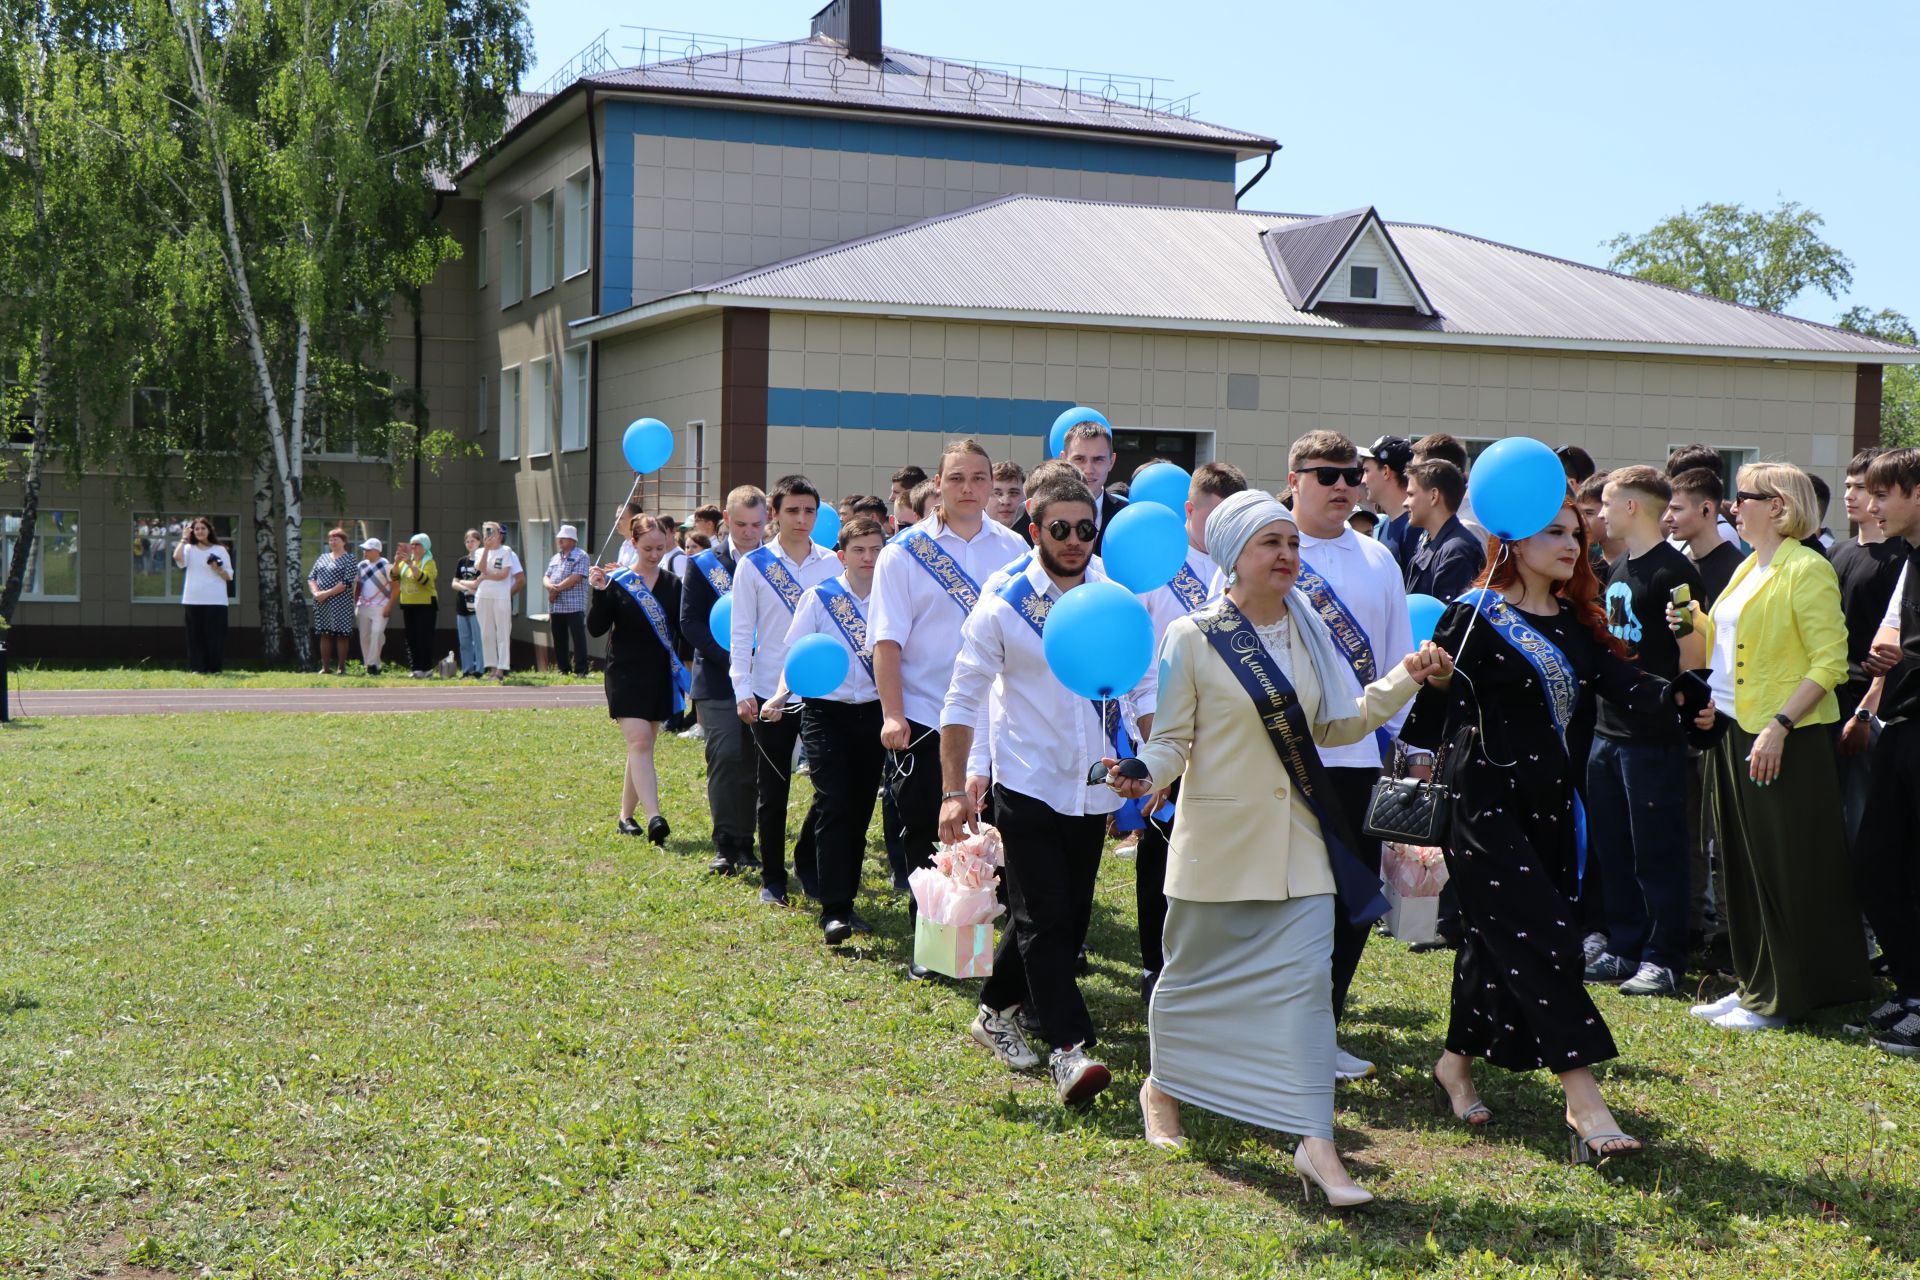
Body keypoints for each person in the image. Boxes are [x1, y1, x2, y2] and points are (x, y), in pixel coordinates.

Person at [1115, 489, 1452, 1205]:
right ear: (1236, 556)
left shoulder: (1307, 631)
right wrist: (1145, 771)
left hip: (1301, 848)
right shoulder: (1192, 637)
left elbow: (1339, 724)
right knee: (1191, 982)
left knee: (1306, 998)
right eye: (1273, 544)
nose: (1289, 557)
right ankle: (1162, 1090)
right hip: (1218, 845)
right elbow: (1173, 739)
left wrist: (1403, 679)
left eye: (1293, 545)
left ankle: (1317, 1149)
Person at [1402, 490, 1715, 1161]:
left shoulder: (1576, 623)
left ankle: (1454, 1063)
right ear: (1513, 538)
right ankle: (1586, 1104)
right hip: (1479, 802)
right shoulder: (1473, 615)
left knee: (1497, 938)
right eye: (1552, 532)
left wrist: (1681, 698)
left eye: (1576, 532)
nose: (1571, 544)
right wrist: (1434, 682)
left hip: (1548, 807)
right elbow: (1428, 724)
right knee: (1544, 936)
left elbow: (1627, 687)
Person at [941, 470, 1155, 1107]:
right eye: (1059, 528)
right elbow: (961, 699)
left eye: (1086, 529)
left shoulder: (1115, 597)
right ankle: (1070, 1049)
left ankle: (993, 1011)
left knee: (1067, 914)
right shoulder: (1003, 602)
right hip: (1028, 781)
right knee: (1044, 916)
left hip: (1094, 787)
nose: (1073, 540)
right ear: (1033, 528)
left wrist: (1151, 756)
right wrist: (956, 788)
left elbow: (1141, 686)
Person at [1685, 463, 1869, 1032]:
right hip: (1735, 729)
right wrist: (1689, 622)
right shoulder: (1749, 564)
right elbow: (1731, 646)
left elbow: (1830, 662)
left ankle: (1783, 996)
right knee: (1740, 867)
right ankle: (1754, 983)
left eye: (1744, 497)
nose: (1732, 507)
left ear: (1779, 506)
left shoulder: (1806, 568)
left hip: (1783, 738)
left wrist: (1781, 725)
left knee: (1780, 868)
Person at [1284, 430, 1415, 1084]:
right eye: (1326, 475)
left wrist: (1400, 745)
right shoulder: (1269, 551)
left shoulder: (1378, 559)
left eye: (1351, 476)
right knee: (1284, 903)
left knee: (1349, 905)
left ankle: (1320, 1029)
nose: (1342, 487)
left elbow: (1398, 658)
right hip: (1280, 760)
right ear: (1295, 479)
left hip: (1359, 759)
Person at [871, 438, 1029, 976]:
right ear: (937, 484)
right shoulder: (903, 552)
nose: (968, 488)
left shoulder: (1014, 551)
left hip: (997, 715)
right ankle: (934, 945)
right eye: (957, 478)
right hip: (924, 712)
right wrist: (893, 713)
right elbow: (886, 642)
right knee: (927, 831)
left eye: (979, 478)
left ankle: (992, 946)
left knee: (997, 833)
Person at [1581, 467, 1704, 998]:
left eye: (1607, 503)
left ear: (1633, 507)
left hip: (1652, 738)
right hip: (1607, 733)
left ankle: (1664, 957)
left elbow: (1692, 657)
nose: (1600, 513)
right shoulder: (1617, 567)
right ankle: (1625, 945)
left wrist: (1677, 714)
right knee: (1613, 847)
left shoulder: (1675, 574)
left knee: (1657, 850)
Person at [1127, 461, 1248, 1001]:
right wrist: (1156, 742)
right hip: (1162, 727)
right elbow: (1137, 662)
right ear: (1189, 510)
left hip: (1229, 737)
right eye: (1210, 514)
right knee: (1162, 856)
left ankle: (1217, 966)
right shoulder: (1154, 564)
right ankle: (1157, 964)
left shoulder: (1246, 567)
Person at [762, 516, 889, 943]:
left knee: (858, 811)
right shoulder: (819, 598)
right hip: (825, 713)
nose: (868, 558)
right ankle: (836, 910)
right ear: (841, 556)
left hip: (875, 713)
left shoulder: (895, 598)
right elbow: (797, 657)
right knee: (835, 802)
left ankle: (819, 868)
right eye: (859, 550)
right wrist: (781, 695)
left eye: (875, 549)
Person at [731, 475, 838, 906]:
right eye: (792, 510)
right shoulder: (754, 565)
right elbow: (740, 635)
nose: (801, 519)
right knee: (772, 792)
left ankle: (809, 865)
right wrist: (742, 689)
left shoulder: (833, 563)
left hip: (823, 695)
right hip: (768, 695)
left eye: (809, 510)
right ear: (774, 513)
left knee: (829, 790)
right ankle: (773, 878)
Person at [1853, 446, 1920, 1055]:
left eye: (1883, 494)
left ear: (1917, 494)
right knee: (1876, 863)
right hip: (1897, 726)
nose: (1872, 507)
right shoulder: (1909, 560)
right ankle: (1911, 988)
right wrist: (1878, 679)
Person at [682, 486, 766, 875]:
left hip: (765, 679)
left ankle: (747, 842)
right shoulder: (701, 565)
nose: (750, 532)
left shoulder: (775, 564)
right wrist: (733, 659)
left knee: (754, 763)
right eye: (742, 524)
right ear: (726, 522)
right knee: (727, 757)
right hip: (717, 680)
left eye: (758, 524)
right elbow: (690, 623)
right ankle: (726, 843)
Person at [588, 514, 685, 846]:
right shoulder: (617, 581)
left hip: (658, 674)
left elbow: (683, 631)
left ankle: (624, 816)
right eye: (648, 548)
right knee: (640, 742)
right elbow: (596, 628)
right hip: (624, 673)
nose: (655, 554)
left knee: (641, 746)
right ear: (633, 544)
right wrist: (599, 593)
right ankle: (655, 817)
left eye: (661, 547)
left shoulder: (674, 584)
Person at [1830, 448, 1906, 841]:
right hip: (1830, 695)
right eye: (1849, 486)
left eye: (1865, 488)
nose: (1852, 496)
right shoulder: (1836, 553)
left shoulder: (1899, 556)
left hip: (1871, 703)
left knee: (1862, 815)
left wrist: (1864, 713)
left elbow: (1891, 643)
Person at [1403, 459, 1485, 602]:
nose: (1405, 503)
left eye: (1411, 494)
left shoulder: (1457, 551)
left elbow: (1451, 619)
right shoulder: (1431, 544)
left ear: (1434, 496)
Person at [1665, 469, 1744, 607]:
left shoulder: (1739, 570)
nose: (1667, 518)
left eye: (1676, 509)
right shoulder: (1678, 565)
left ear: (1706, 509)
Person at [173, 516, 232, 674]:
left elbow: (229, 576)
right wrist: (183, 538)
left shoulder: (219, 550)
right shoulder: (188, 548)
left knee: (215, 636)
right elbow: (177, 558)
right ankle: (197, 668)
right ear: (193, 531)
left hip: (216, 600)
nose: (200, 531)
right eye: (196, 529)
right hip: (193, 599)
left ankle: (215, 668)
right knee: (195, 636)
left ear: (209, 530)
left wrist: (218, 569)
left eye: (203, 528)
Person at [1058, 421, 1129, 553]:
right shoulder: (1037, 513)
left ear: (1111, 462)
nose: (1088, 470)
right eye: (1079, 459)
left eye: (1098, 459)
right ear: (1063, 460)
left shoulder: (1128, 516)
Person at [1412, 433, 1487, 541]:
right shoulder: (1438, 522)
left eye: (1418, 473)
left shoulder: (1467, 528)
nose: (1411, 480)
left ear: (1441, 474)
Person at [473, 522, 522, 682]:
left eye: (491, 532)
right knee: (487, 633)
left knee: (502, 632)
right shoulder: (480, 551)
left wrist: (486, 576)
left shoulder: (506, 551)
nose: (488, 535)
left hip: (501, 596)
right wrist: (487, 549)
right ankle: (492, 668)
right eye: (485, 532)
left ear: (499, 534)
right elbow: (480, 568)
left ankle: (501, 669)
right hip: (483, 595)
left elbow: (503, 574)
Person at [1359, 434, 1417, 568]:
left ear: (1385, 471)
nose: (1363, 480)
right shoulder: (1385, 524)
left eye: (1367, 471)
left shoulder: (1413, 527)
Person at [541, 525, 591, 676]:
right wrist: (550, 587)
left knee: (578, 637)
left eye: (563, 538)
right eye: (559, 538)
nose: (560, 540)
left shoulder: (581, 555)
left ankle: (581, 670)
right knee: (559, 637)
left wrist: (556, 589)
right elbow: (546, 576)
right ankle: (563, 668)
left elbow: (576, 577)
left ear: (572, 540)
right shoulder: (555, 557)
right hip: (556, 605)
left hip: (574, 604)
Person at [307, 528, 357, 675]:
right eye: (330, 539)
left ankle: (341, 667)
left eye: (336, 539)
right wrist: (316, 593)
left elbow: (346, 582)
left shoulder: (350, 559)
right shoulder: (322, 557)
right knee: (325, 633)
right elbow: (311, 578)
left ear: (344, 542)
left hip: (341, 602)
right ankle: (325, 667)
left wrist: (326, 594)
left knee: (342, 634)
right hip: (322, 602)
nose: (333, 542)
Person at [393, 534, 439, 678]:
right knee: (411, 637)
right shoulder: (405, 561)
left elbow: (425, 580)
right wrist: (396, 563)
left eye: (417, 544)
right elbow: (394, 576)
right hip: (408, 604)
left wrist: (411, 565)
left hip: (425, 604)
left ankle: (427, 669)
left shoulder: (429, 562)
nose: (413, 547)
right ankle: (416, 668)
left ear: (425, 547)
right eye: (411, 544)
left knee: (424, 637)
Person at [354, 538, 394, 676]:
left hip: (381, 606)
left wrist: (389, 606)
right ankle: (371, 666)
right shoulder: (361, 565)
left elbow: (396, 587)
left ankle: (371, 665)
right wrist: (355, 604)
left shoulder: (387, 565)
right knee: (364, 637)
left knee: (377, 633)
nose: (365, 552)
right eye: (364, 550)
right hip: (363, 606)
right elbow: (358, 586)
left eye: (368, 550)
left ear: (377, 551)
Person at [450, 530, 484, 677]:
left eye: (473, 541)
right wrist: (465, 587)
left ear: (479, 542)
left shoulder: (482, 561)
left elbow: (479, 582)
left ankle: (480, 669)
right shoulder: (461, 561)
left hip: (477, 607)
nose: (470, 544)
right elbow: (454, 583)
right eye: (467, 541)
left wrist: (468, 585)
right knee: (464, 641)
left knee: (478, 640)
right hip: (462, 606)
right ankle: (467, 669)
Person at [1575, 473, 1621, 576]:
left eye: (1589, 513)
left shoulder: (1641, 563)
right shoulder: (1583, 564)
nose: (1581, 522)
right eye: (1579, 514)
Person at [990, 460, 1027, 527]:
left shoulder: (1039, 536)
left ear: (1025, 497)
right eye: (997, 493)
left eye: (1013, 493)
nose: (1005, 501)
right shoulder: (966, 536)